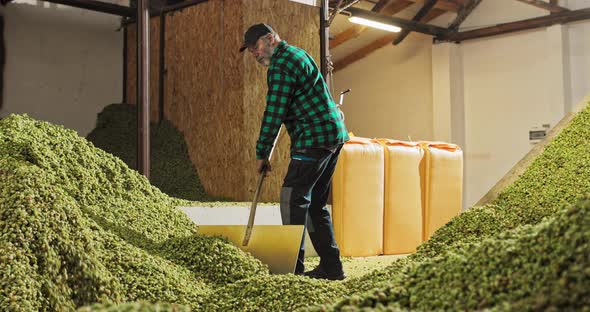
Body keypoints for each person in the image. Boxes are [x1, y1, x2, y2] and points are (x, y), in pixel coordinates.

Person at [240, 23, 349, 280]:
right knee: (315, 205)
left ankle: (293, 270)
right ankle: (332, 268)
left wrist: (262, 152)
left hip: (314, 139)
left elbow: (274, 111)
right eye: (250, 51)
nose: (254, 54)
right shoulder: (299, 54)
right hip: (332, 136)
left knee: (292, 199)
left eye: (255, 47)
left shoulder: (281, 65)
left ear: (270, 39)